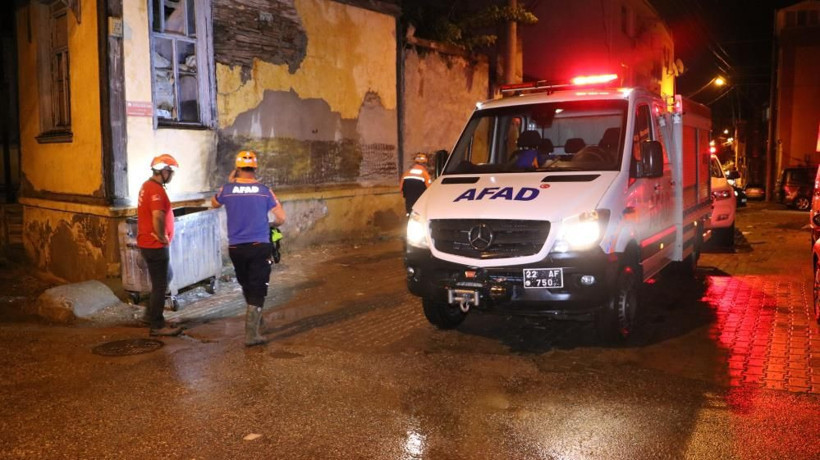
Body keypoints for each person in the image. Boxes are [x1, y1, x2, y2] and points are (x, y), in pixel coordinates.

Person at [212, 150, 286, 346]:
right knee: (259, 286)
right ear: (255, 168)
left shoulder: (226, 189)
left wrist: (230, 182)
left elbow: (214, 204)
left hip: (236, 248)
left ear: (237, 169)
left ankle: (258, 320)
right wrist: (271, 225)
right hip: (259, 245)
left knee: (247, 284)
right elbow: (281, 218)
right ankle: (252, 334)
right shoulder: (264, 190)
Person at [137, 154, 182, 337]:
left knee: (165, 277)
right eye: (170, 172)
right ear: (163, 171)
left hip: (148, 243)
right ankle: (156, 325)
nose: (171, 175)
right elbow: (158, 215)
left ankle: (150, 315)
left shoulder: (147, 186)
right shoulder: (156, 191)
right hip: (155, 245)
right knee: (160, 284)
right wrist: (162, 236)